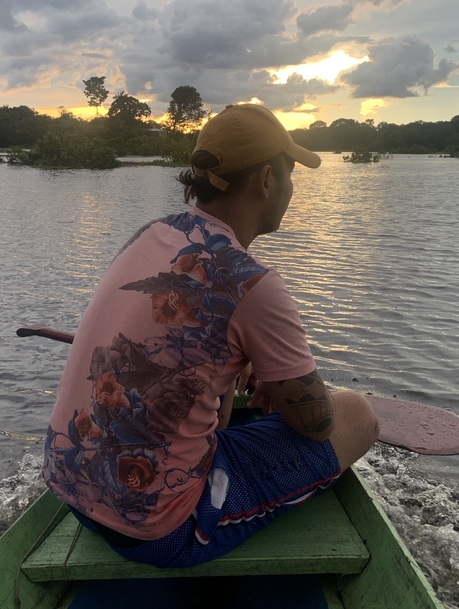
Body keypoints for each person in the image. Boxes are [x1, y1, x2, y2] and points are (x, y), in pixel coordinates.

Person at [42, 103, 379, 568]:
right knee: (356, 413)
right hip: (158, 530)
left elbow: (209, 395)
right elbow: (317, 425)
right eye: (290, 174)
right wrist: (278, 378)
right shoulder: (253, 284)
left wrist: (242, 361)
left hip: (72, 492)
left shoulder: (151, 234)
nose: (292, 188)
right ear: (266, 180)